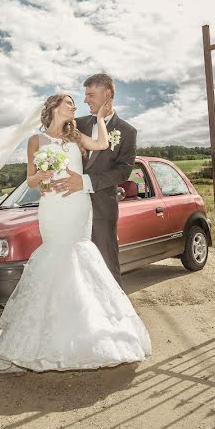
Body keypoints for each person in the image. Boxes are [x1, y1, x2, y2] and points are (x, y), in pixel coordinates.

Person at [0, 92, 151, 373]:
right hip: (53, 207)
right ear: (54, 107)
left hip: (78, 207)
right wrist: (39, 178)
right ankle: (44, 336)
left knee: (79, 256)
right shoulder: (35, 141)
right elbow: (31, 177)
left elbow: (102, 144)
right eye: (69, 104)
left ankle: (88, 329)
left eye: (76, 105)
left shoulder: (76, 136)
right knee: (56, 257)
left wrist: (101, 119)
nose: (75, 107)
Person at [50, 73, 137, 289]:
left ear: (107, 94)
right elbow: (52, 150)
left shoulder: (127, 131)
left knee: (106, 265)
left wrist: (85, 182)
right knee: (72, 265)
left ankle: (115, 317)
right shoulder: (75, 124)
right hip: (68, 206)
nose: (86, 100)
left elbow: (123, 172)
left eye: (90, 94)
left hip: (101, 209)